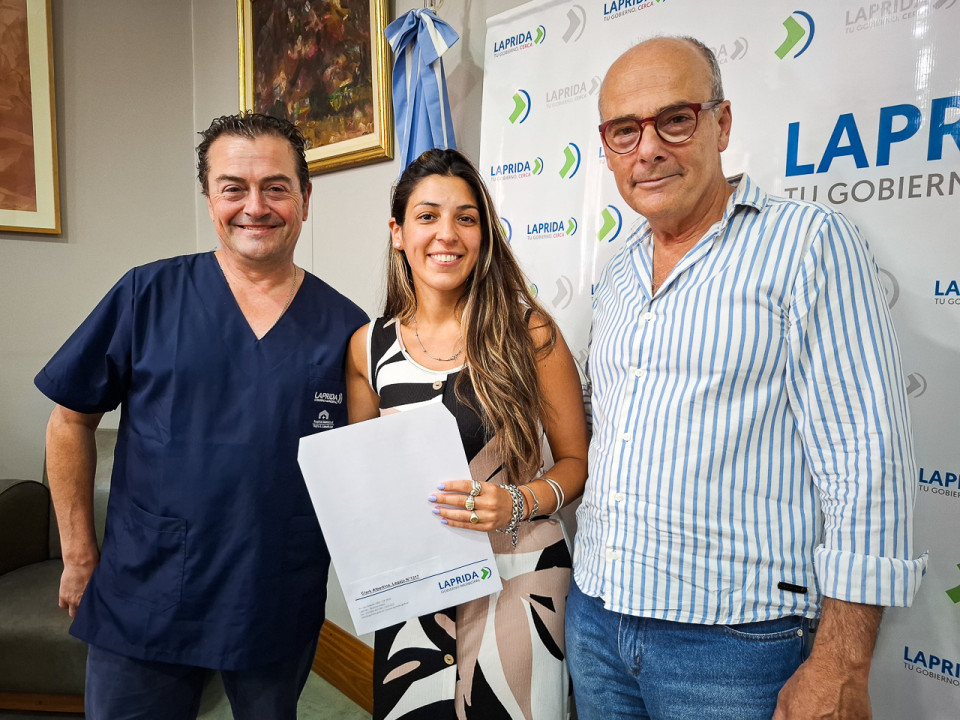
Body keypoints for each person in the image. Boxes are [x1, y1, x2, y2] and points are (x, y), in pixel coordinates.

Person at [565, 36, 926, 720]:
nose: (648, 149)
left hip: (735, 647)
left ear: (721, 123)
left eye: (675, 120)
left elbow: (867, 460)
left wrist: (843, 662)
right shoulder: (616, 275)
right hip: (597, 621)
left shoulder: (808, 244)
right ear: (607, 147)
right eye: (624, 131)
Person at [35, 112, 366, 719]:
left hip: (274, 591)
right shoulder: (146, 295)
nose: (255, 207)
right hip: (147, 586)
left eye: (276, 187)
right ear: (210, 198)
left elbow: (366, 459)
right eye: (233, 188)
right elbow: (69, 420)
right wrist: (78, 555)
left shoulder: (346, 326)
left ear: (305, 198)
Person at [345, 148, 589, 719]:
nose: (447, 234)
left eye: (466, 218)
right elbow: (365, 481)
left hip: (519, 581)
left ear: (484, 234)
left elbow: (577, 462)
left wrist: (516, 501)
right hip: (416, 593)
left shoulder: (528, 331)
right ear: (398, 233)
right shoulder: (368, 347)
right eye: (427, 216)